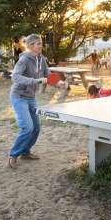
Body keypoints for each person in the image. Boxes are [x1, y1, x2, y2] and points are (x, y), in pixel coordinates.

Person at [8, 34, 68, 169]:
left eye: (41, 43)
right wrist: (36, 81)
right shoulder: (24, 59)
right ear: (30, 46)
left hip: (31, 98)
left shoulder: (42, 60)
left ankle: (25, 152)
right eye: (38, 44)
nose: (41, 46)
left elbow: (48, 77)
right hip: (19, 97)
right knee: (27, 127)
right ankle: (13, 155)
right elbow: (15, 77)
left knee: (36, 128)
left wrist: (59, 84)